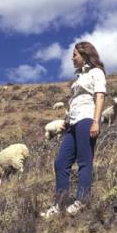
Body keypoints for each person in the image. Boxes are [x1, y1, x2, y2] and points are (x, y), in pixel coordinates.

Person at [41, 41, 106, 217]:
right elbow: (75, 101)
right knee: (61, 162)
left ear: (84, 55)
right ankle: (59, 204)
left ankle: (82, 201)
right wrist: (66, 120)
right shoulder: (78, 77)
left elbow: (99, 96)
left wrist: (96, 122)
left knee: (85, 160)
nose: (72, 58)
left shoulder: (96, 72)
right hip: (73, 123)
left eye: (74, 55)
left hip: (87, 119)